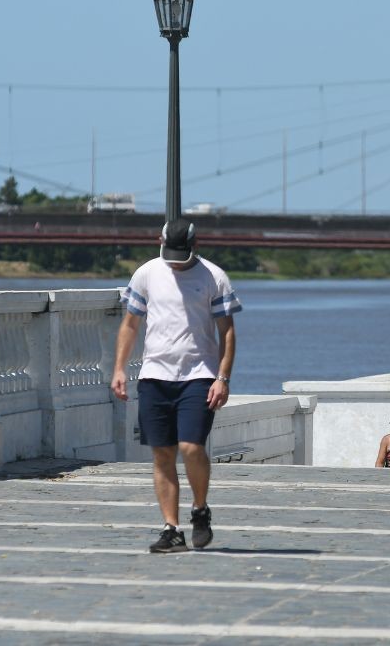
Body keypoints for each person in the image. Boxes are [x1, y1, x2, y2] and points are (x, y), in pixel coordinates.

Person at [111, 218, 242, 552]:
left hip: (199, 376)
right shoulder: (146, 273)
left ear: (195, 245)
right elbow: (130, 324)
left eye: (181, 254)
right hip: (155, 376)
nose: (174, 260)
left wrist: (222, 378)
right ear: (160, 241)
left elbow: (227, 331)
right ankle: (172, 529)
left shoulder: (213, 277)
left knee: (191, 447)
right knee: (162, 454)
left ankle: (200, 509)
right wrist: (120, 369)